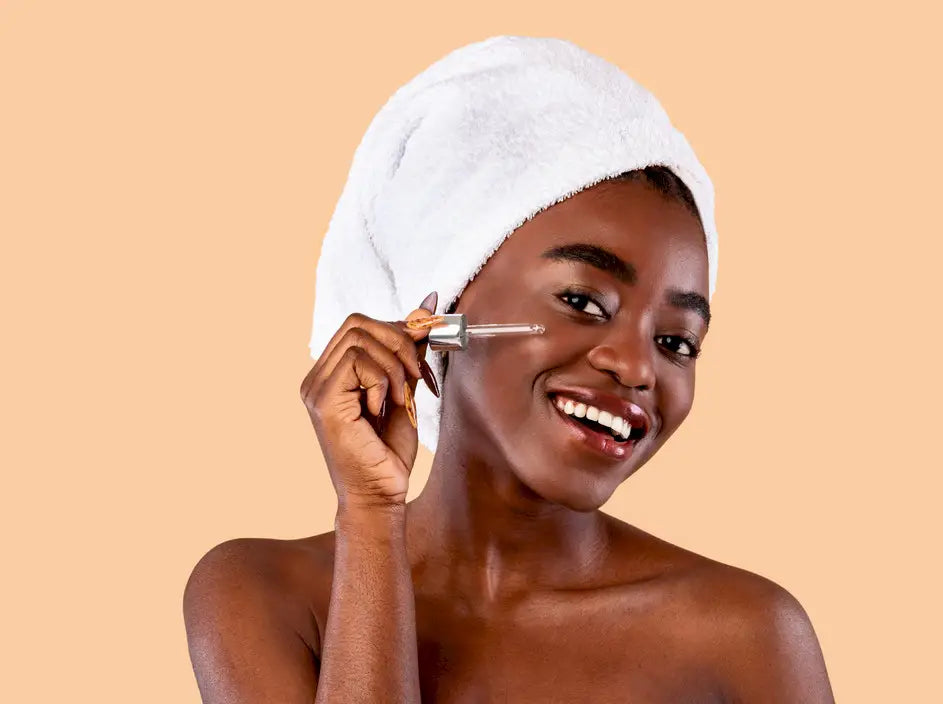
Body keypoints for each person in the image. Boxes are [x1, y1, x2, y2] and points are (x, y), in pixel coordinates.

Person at [183, 36, 834, 703]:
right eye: (583, 301)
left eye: (677, 342)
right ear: (441, 309)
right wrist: (371, 516)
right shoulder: (263, 593)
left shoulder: (745, 637)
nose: (637, 366)